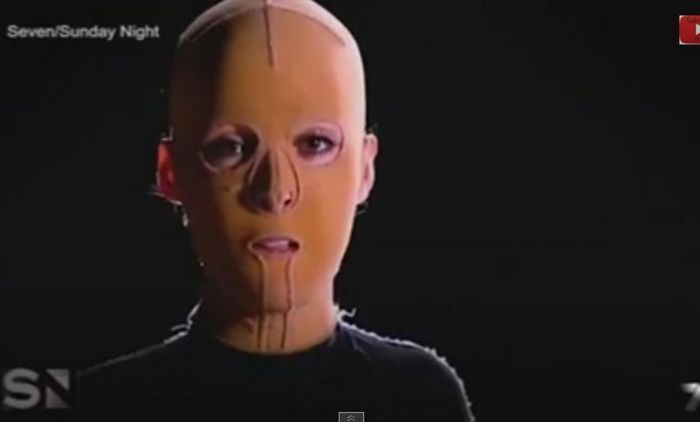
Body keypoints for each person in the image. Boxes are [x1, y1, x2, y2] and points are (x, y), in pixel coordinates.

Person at [79, 0, 475, 420]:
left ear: (364, 169)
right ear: (171, 174)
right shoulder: (100, 404)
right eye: (232, 148)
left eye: (315, 144)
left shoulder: (417, 397)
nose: (275, 191)